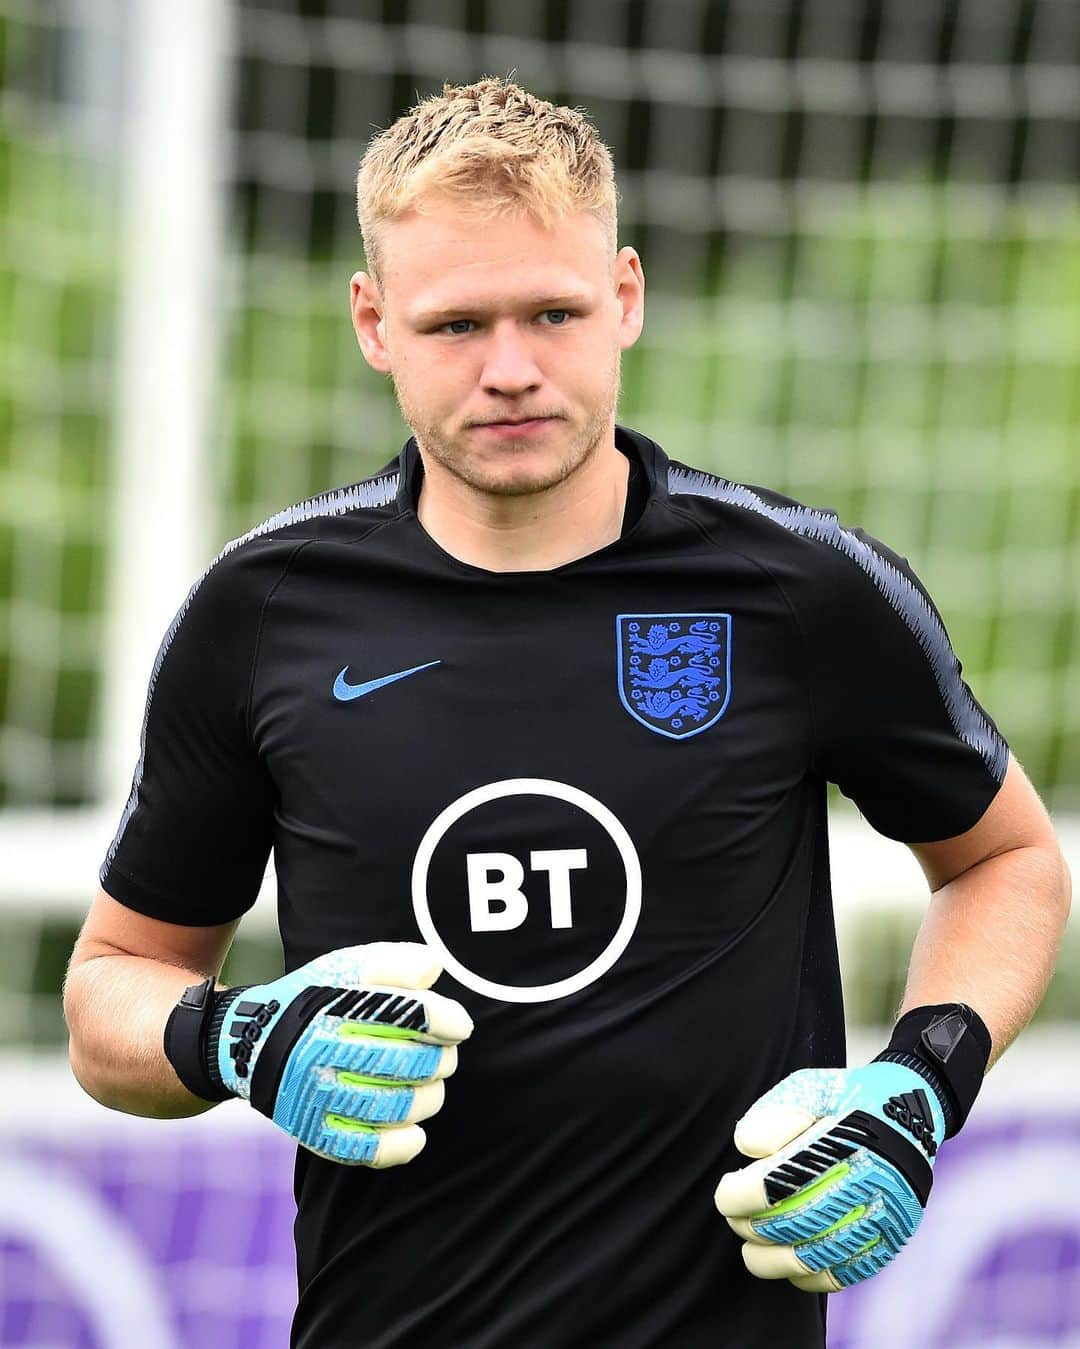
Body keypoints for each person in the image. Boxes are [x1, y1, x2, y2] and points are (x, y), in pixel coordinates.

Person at [64, 78, 1070, 1348]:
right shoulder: (264, 612)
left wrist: (918, 1086)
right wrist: (236, 1036)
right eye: (455, 324)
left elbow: (1006, 858)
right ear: (373, 322)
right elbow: (110, 990)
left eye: (555, 310)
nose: (511, 368)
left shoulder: (798, 586)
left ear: (628, 296)